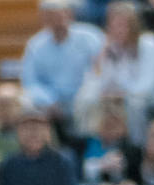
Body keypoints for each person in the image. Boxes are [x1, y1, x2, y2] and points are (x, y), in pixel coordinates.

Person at [74, 2, 154, 144]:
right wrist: (102, 59)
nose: (117, 29)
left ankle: (137, 146)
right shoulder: (110, 48)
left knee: (135, 104)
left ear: (133, 25)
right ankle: (91, 147)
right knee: (86, 99)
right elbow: (98, 80)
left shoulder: (149, 43)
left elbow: (149, 83)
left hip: (150, 97)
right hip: (116, 96)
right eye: (114, 24)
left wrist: (122, 93)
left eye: (122, 24)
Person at [20, 0, 103, 132]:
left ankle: (86, 142)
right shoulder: (35, 45)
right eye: (50, 16)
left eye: (59, 15)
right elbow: (30, 81)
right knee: (26, 102)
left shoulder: (91, 37)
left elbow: (99, 70)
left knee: (90, 99)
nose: (56, 20)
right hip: (53, 99)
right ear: (43, 19)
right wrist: (49, 100)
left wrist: (82, 94)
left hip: (83, 94)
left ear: (69, 14)